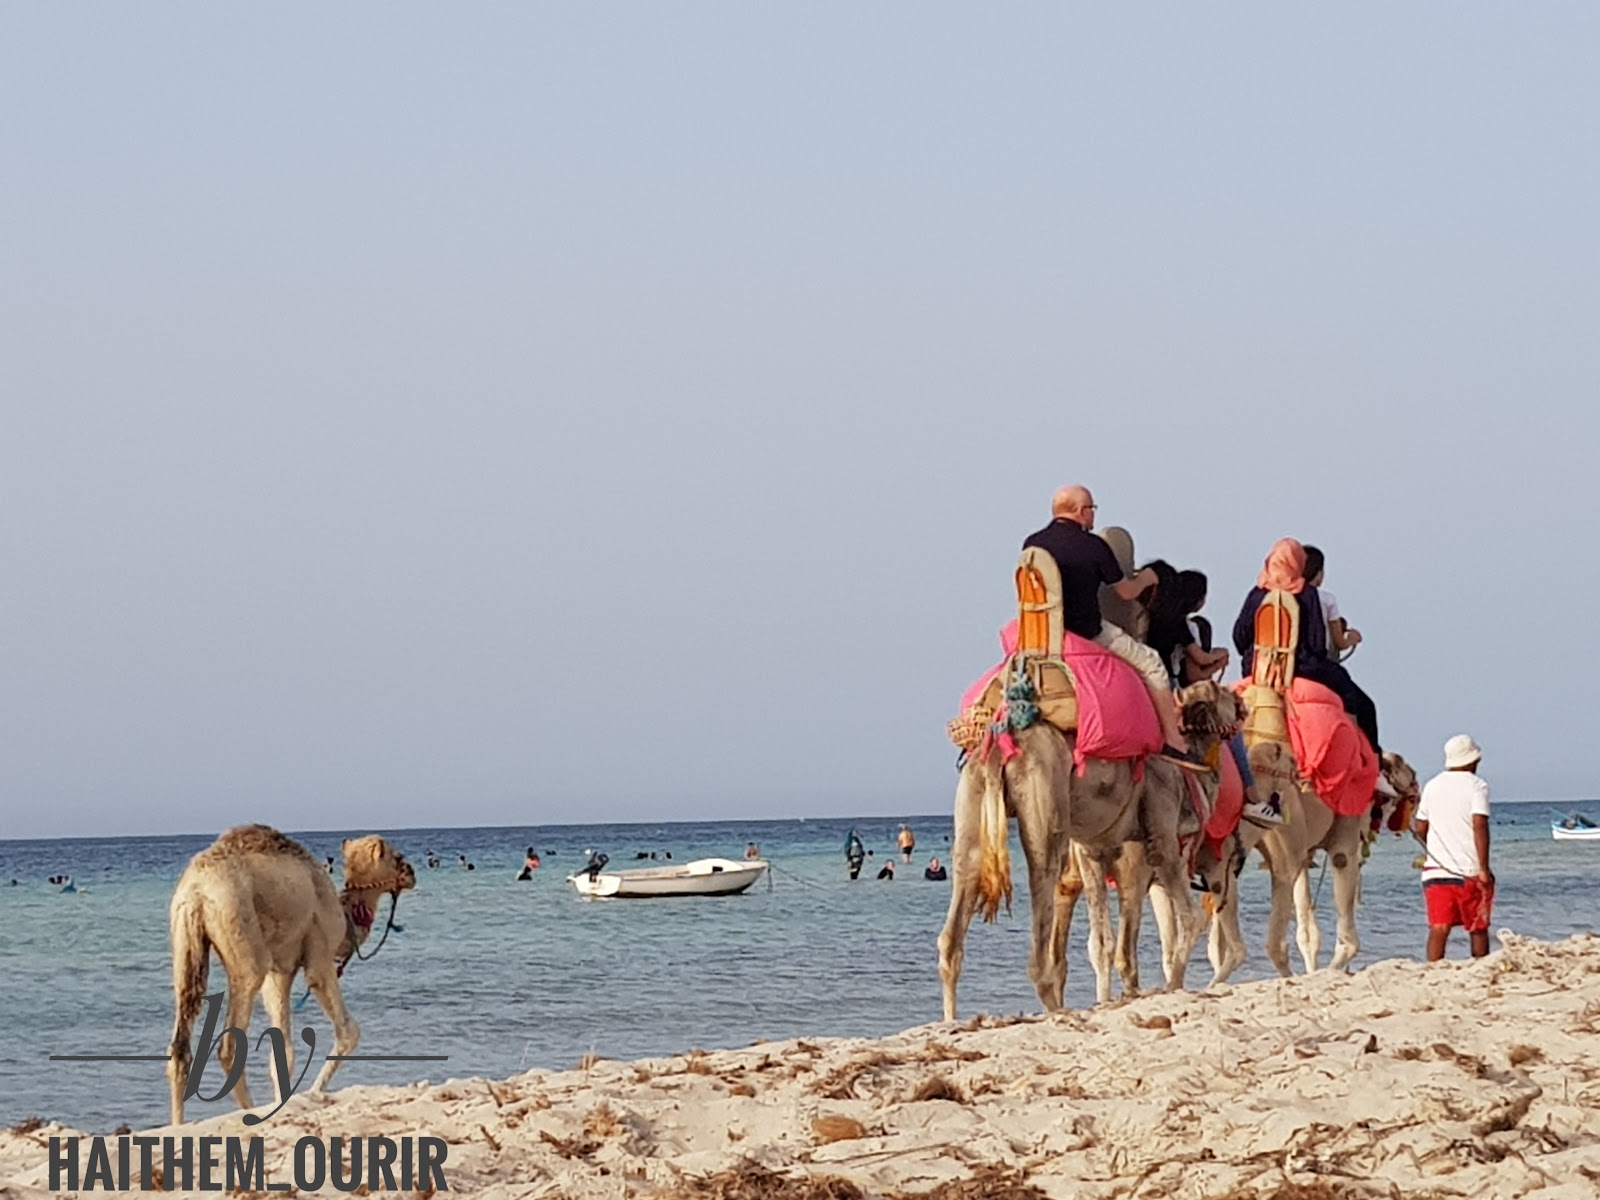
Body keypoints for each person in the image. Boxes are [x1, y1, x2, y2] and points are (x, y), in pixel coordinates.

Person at [1024, 486, 1203, 767]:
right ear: (1081, 511)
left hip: (1041, 634)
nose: (1093, 516)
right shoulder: (1094, 546)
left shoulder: (1032, 545)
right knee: (1152, 663)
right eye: (1092, 509)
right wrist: (1147, 578)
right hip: (1086, 631)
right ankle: (1173, 740)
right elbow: (1127, 593)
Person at [1232, 539, 1388, 782]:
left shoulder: (1257, 593)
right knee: (1358, 699)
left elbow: (1239, 637)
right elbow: (1316, 643)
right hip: (1303, 668)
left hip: (1257, 669)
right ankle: (1367, 763)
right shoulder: (1307, 593)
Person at [1413, 735, 1493, 961]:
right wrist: (1484, 868)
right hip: (1468, 870)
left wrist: (1436, 848)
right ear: (1473, 761)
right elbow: (1479, 824)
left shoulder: (1432, 785)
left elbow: (1420, 827)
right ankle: (1481, 965)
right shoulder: (1478, 786)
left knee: (1439, 927)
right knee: (1477, 926)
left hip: (1435, 872)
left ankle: (1432, 970)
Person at [1145, 567, 1230, 685]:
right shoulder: (1183, 625)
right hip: (1166, 681)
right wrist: (1219, 657)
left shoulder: (1158, 616)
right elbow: (1199, 665)